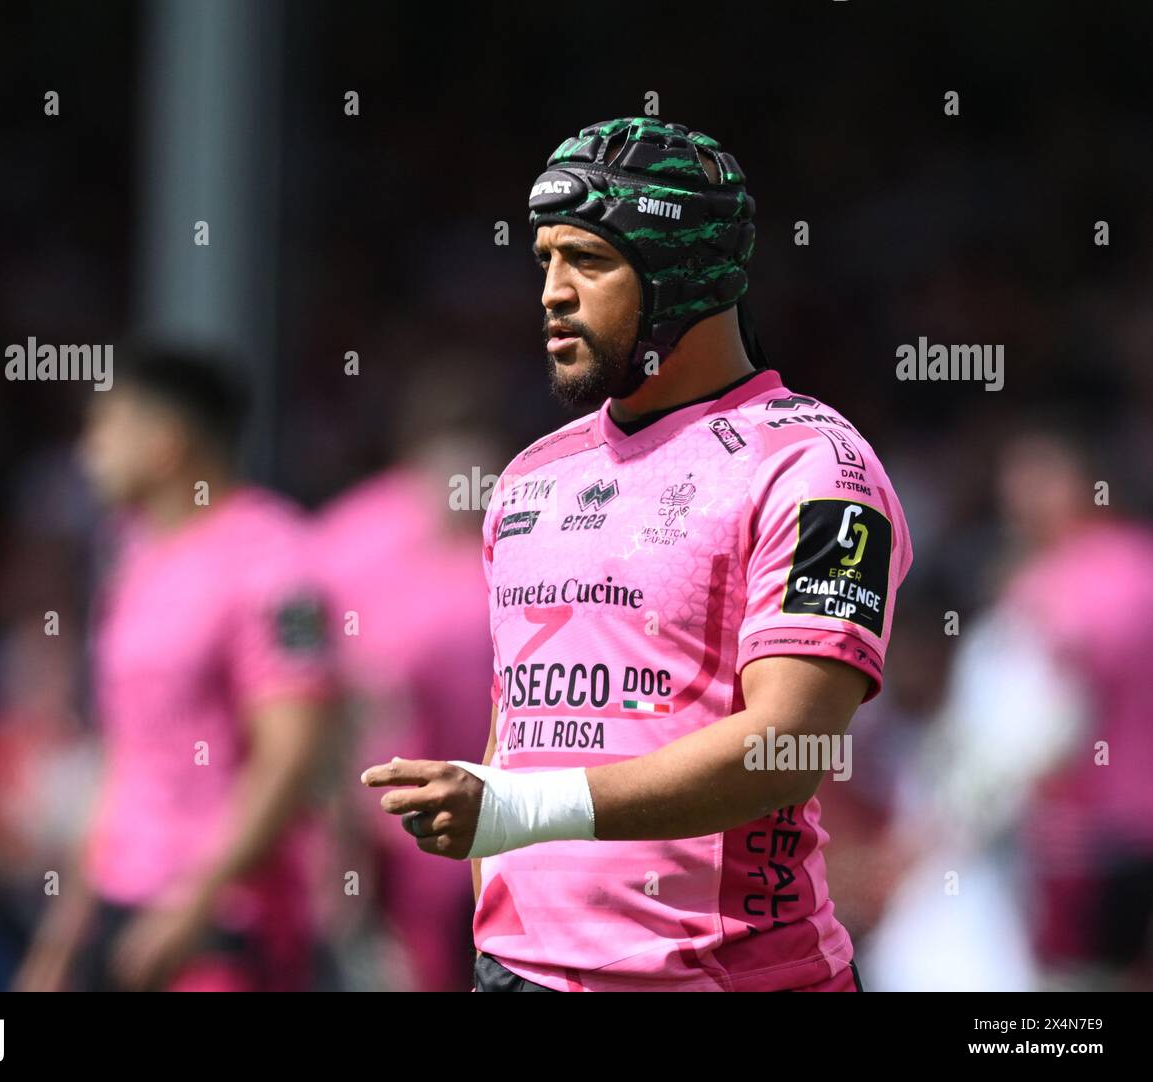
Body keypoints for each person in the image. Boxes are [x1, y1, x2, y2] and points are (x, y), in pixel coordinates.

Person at [362, 117, 913, 991]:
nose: (551, 291)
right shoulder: (528, 478)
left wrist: (516, 810)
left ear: (683, 275)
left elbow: (794, 743)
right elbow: (517, 731)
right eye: (544, 260)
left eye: (589, 260)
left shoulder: (813, 467)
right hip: (516, 973)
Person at [14, 349, 334, 992]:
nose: (86, 453)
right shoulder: (134, 557)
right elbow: (124, 759)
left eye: (101, 429)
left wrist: (192, 907)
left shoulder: (279, 560)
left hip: (221, 926)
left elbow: (292, 754)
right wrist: (62, 938)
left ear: (163, 442)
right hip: (122, 906)